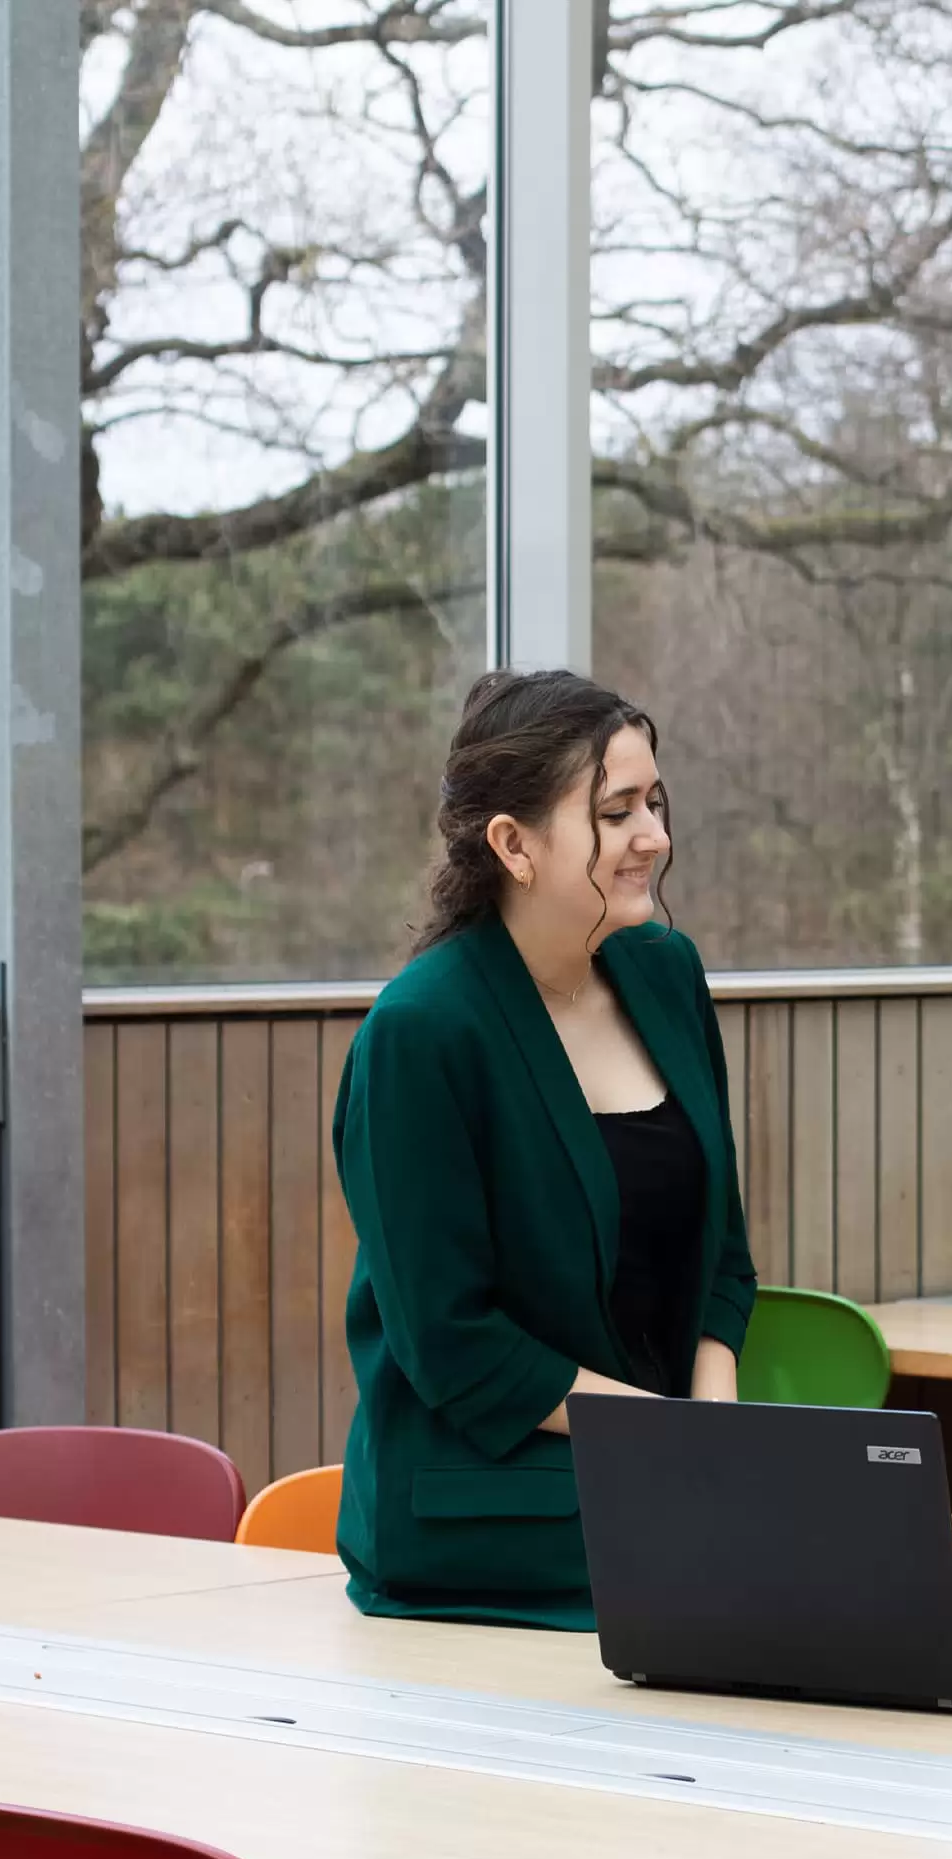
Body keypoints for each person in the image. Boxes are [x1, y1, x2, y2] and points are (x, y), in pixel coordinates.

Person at [332, 669, 755, 1626]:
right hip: (486, 1531)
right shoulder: (421, 1033)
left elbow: (721, 1253)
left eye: (655, 801)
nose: (656, 835)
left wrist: (718, 1436)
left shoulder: (665, 971)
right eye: (615, 812)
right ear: (513, 845)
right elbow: (453, 1344)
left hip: (665, 1491)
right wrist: (678, 1451)